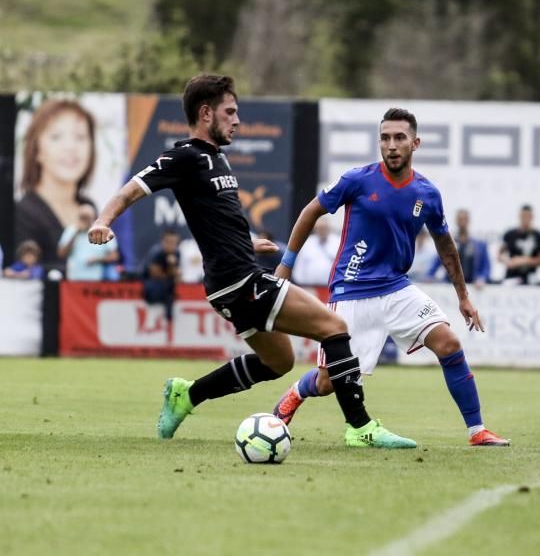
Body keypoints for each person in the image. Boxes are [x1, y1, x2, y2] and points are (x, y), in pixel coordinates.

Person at [87, 74, 401, 447]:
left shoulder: (216, 159)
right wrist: (103, 221)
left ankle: (186, 395)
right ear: (206, 113)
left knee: (278, 362)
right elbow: (129, 190)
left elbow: (214, 221)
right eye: (230, 112)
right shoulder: (184, 156)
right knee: (334, 327)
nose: (237, 120)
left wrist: (249, 243)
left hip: (233, 279)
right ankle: (360, 427)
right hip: (240, 282)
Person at [270, 107, 509, 447]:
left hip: (397, 288)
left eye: (399, 138)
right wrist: (286, 265)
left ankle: (477, 431)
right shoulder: (357, 179)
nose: (392, 145)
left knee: (449, 343)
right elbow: (311, 211)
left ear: (416, 143)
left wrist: (463, 297)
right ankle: (294, 394)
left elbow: (445, 244)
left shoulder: (427, 193)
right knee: (327, 382)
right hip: (352, 291)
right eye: (385, 138)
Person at [16, 99, 99, 269]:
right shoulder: (21, 212)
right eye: (56, 137)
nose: (70, 147)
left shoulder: (89, 206)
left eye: (80, 137)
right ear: (36, 149)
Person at [428, 208, 491, 288]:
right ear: (456, 221)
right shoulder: (447, 244)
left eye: (465, 219)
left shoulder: (480, 245)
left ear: (469, 221)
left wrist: (481, 278)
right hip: (451, 287)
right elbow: (435, 264)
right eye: (460, 219)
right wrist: (430, 276)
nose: (462, 222)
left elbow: (486, 267)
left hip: (473, 286)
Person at [57, 204, 119, 281]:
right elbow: (61, 253)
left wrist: (97, 260)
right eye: (82, 217)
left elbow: (114, 256)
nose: (84, 220)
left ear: (94, 218)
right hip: (74, 279)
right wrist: (76, 233)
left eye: (86, 217)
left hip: (97, 280)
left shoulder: (103, 230)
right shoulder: (71, 230)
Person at [499, 204, 540, 284]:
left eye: (527, 216)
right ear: (519, 216)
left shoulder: (539, 236)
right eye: (523, 216)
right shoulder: (510, 234)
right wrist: (507, 261)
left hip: (531, 277)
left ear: (532, 217)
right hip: (511, 276)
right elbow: (500, 254)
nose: (525, 219)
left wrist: (524, 260)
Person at [142, 229, 182, 323]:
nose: (172, 245)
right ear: (164, 242)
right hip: (150, 282)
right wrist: (172, 272)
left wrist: (172, 266)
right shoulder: (157, 252)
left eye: (174, 243)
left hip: (166, 284)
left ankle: (169, 315)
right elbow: (154, 274)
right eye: (169, 242)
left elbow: (176, 275)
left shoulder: (176, 253)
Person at [290, 217, 339, 287]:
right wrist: (301, 285)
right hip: (310, 287)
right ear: (315, 229)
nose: (322, 231)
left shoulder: (338, 242)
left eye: (324, 228)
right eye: (320, 228)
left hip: (332, 287)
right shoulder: (307, 243)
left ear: (329, 228)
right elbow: (299, 266)